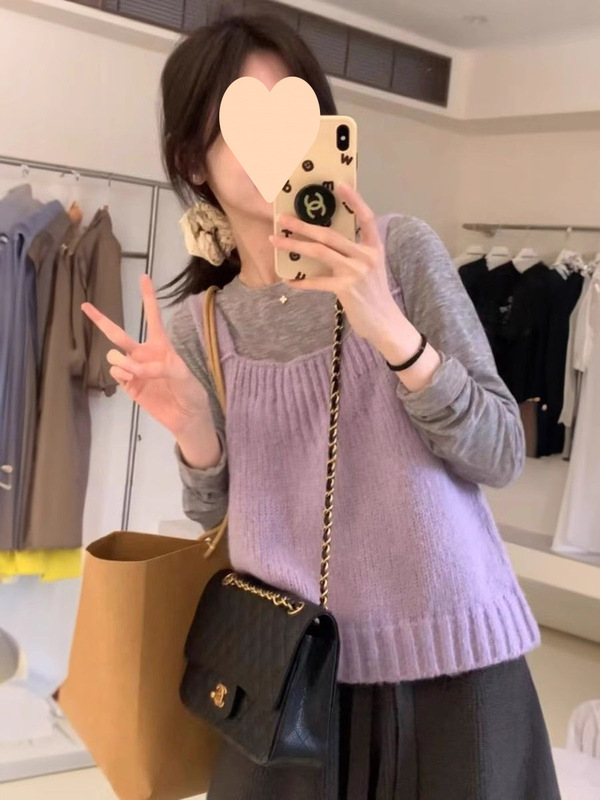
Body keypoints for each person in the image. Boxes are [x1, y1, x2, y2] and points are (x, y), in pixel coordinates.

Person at [81, 12, 562, 800]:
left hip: (451, 667)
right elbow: (216, 517)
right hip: (283, 674)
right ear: (192, 160)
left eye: (295, 115)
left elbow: (500, 452)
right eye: (245, 123)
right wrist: (197, 435)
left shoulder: (399, 254)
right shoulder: (201, 324)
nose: (278, 146)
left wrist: (393, 334)